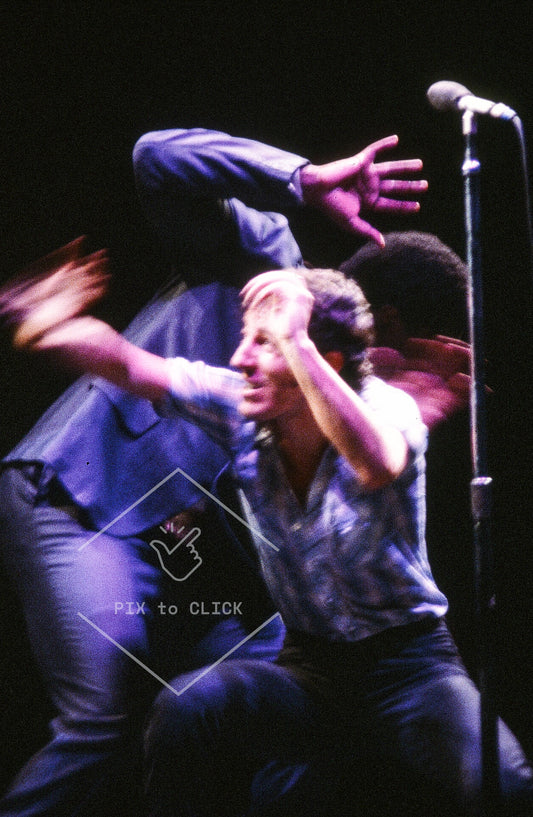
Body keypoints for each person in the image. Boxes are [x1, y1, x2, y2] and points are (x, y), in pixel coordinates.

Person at [4, 258, 532, 817]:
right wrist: (51, 323)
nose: (239, 359)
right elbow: (130, 365)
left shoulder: (387, 408)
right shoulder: (239, 408)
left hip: (410, 668)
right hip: (312, 669)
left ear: (320, 362)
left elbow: (375, 464)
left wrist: (295, 338)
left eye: (263, 344)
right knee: (190, 707)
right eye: (247, 340)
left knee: (504, 785)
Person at [0, 129, 427, 817]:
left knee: (296, 688)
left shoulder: (356, 413)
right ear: (380, 325)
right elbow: (154, 157)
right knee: (101, 716)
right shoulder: (266, 266)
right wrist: (303, 180)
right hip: (77, 497)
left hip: (161, 548)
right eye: (404, 356)